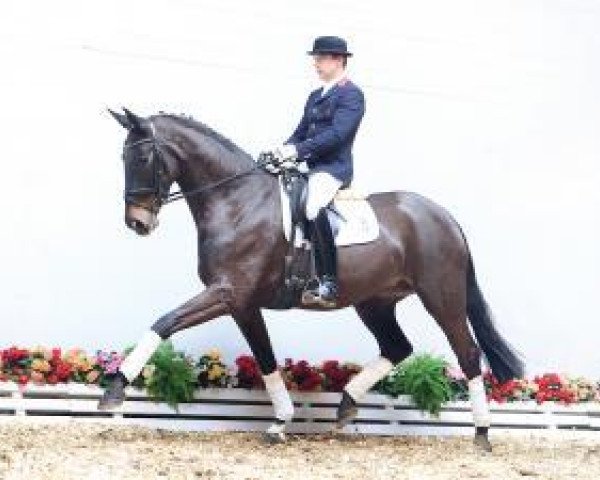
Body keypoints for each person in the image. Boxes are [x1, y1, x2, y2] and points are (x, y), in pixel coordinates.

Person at [266, 35, 366, 307]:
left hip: (333, 169)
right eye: (315, 58)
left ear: (338, 60)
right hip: (312, 168)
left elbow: (337, 135)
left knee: (313, 206)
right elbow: (301, 132)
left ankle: (328, 282)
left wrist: (298, 152)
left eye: (320, 58)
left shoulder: (351, 94)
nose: (316, 63)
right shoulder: (315, 96)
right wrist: (281, 151)